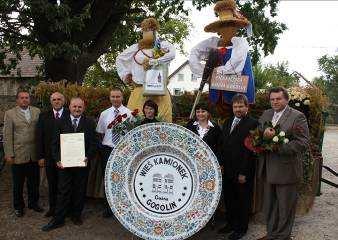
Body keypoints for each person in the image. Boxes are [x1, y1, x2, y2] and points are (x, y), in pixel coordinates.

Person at [257, 87, 309, 240]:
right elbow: (259, 132)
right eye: (272, 99)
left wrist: (278, 147)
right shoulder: (266, 113)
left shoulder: (297, 116)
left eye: (278, 99)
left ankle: (283, 236)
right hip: (267, 168)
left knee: (285, 207)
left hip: (286, 170)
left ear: (286, 99)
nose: (275, 102)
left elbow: (303, 142)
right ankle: (272, 234)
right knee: (270, 205)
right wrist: (261, 138)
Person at [42, 97, 98, 231]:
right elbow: (54, 144)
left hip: (82, 165)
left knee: (79, 191)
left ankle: (76, 215)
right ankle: (58, 219)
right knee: (63, 191)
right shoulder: (60, 122)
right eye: (74, 107)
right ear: (70, 107)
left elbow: (94, 144)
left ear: (83, 108)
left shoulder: (89, 123)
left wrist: (88, 157)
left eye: (80, 107)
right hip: (64, 165)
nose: (77, 109)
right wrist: (57, 160)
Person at [189, 0, 255, 109]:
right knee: (220, 115)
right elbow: (194, 53)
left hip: (238, 88)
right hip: (218, 89)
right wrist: (204, 73)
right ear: (219, 29)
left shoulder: (240, 43)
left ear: (236, 28)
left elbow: (235, 64)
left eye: (230, 25)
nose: (227, 29)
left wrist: (215, 72)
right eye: (224, 25)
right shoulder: (212, 43)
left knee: (238, 111)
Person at [116, 17, 175, 122]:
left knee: (162, 123)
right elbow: (120, 59)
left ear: (155, 30)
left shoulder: (161, 45)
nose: (147, 32)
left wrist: (153, 62)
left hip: (159, 92)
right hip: (140, 91)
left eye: (150, 29)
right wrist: (126, 75)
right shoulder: (136, 48)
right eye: (145, 30)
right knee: (134, 123)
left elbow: (172, 54)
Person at [219, 94, 258, 240]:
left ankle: (241, 228)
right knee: (229, 199)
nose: (238, 109)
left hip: (243, 170)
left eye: (241, 106)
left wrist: (244, 172)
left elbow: (250, 151)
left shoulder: (253, 123)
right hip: (227, 169)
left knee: (243, 200)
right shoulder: (228, 121)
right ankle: (230, 224)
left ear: (247, 107)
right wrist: (221, 164)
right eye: (235, 106)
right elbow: (223, 144)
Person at [3, 89, 43, 217]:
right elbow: (7, 135)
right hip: (18, 154)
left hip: (34, 154)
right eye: (22, 98)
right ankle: (18, 206)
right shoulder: (10, 114)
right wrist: (9, 153)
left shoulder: (37, 111)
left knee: (34, 182)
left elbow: (41, 132)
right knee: (18, 183)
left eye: (27, 97)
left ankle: (33, 203)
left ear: (29, 99)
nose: (25, 99)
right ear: (17, 100)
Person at [96, 88, 131, 217]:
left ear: (122, 98)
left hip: (122, 151)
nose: (115, 99)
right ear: (110, 98)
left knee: (122, 177)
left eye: (118, 96)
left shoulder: (129, 113)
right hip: (107, 150)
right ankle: (108, 207)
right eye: (113, 97)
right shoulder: (104, 114)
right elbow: (100, 132)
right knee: (108, 179)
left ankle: (121, 207)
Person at [36, 92, 69, 217]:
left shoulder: (70, 114)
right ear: (51, 102)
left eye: (59, 99)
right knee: (52, 184)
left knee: (65, 185)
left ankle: (65, 209)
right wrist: (40, 156)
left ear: (63, 101)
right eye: (54, 99)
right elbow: (39, 138)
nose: (56, 101)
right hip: (49, 157)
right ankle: (53, 208)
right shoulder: (43, 116)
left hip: (66, 157)